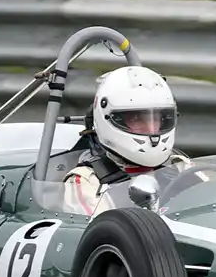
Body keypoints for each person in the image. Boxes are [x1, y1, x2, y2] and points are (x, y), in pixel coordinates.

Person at [63, 65, 196, 216]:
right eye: (136, 119)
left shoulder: (180, 165)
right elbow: (99, 233)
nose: (151, 128)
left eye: (158, 119)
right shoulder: (88, 181)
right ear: (110, 119)